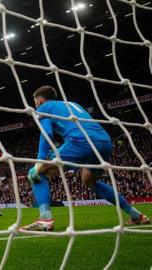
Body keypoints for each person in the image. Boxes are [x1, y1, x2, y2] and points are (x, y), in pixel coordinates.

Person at [23, 85, 150, 231]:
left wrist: (40, 161)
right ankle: (136, 215)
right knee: (89, 180)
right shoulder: (73, 104)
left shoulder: (43, 107)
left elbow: (47, 134)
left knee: (36, 174)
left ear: (39, 101)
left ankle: (45, 220)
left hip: (81, 141)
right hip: (104, 142)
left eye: (35, 103)